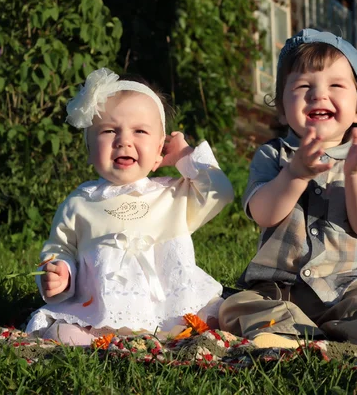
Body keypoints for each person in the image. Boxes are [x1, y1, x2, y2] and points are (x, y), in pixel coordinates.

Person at [218, 29, 357, 358]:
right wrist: (295, 174)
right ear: (283, 109)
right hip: (278, 288)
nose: (318, 95)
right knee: (237, 305)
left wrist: (356, 174)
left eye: (335, 85)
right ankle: (290, 334)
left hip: (346, 285)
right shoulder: (274, 156)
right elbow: (263, 213)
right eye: (302, 87)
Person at [26, 68, 234, 345]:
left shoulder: (171, 194)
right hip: (101, 310)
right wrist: (60, 272)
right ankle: (112, 341)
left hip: (169, 307)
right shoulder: (81, 202)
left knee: (221, 314)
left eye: (140, 131)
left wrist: (185, 156)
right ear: (89, 148)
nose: (124, 141)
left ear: (160, 147)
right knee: (61, 333)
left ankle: (167, 335)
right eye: (109, 130)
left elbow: (220, 192)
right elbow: (60, 247)